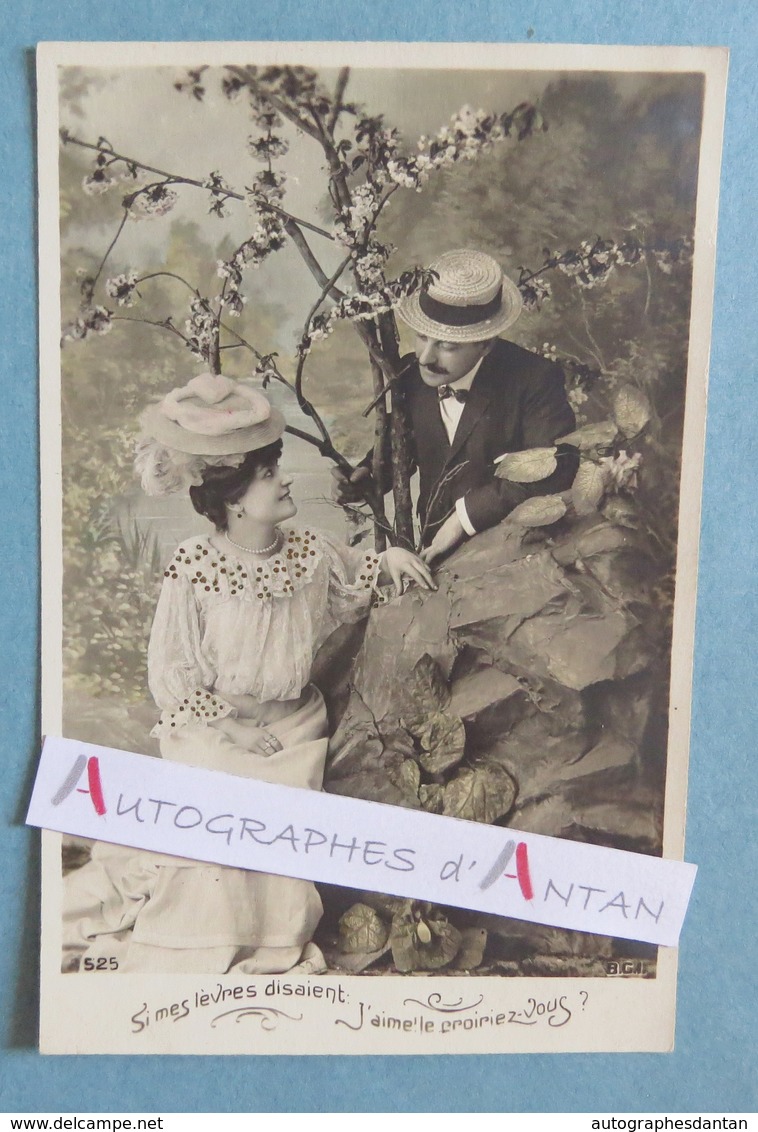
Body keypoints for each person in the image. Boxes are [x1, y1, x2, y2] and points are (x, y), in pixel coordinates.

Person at [63, 372, 433, 975]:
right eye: (268, 475)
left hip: (294, 729)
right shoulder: (196, 563)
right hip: (214, 729)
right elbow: (172, 671)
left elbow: (357, 577)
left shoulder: (310, 551)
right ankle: (195, 939)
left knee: (275, 813)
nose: (283, 481)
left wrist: (389, 557)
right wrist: (230, 730)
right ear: (234, 498)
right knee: (218, 806)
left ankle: (271, 940)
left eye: (275, 469)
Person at [333, 249, 579, 564]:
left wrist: (463, 518)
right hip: (429, 550)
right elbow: (402, 450)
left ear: (486, 344)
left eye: (446, 346)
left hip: (508, 553)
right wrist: (364, 478)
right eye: (422, 337)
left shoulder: (534, 379)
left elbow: (555, 468)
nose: (425, 358)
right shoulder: (411, 376)